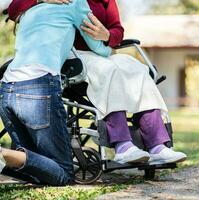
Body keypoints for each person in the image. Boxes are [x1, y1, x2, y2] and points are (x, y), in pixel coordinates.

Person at [7, 0, 187, 165]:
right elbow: (14, 9)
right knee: (108, 71)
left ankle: (157, 146)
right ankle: (122, 146)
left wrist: (108, 35)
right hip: (74, 56)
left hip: (103, 50)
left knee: (137, 69)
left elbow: (117, 30)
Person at [0, 0, 111, 185]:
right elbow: (96, 45)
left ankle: (4, 157)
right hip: (38, 85)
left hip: (6, 89)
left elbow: (11, 8)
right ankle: (2, 154)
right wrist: (109, 47)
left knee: (32, 166)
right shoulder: (76, 2)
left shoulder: (29, 6)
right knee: (64, 173)